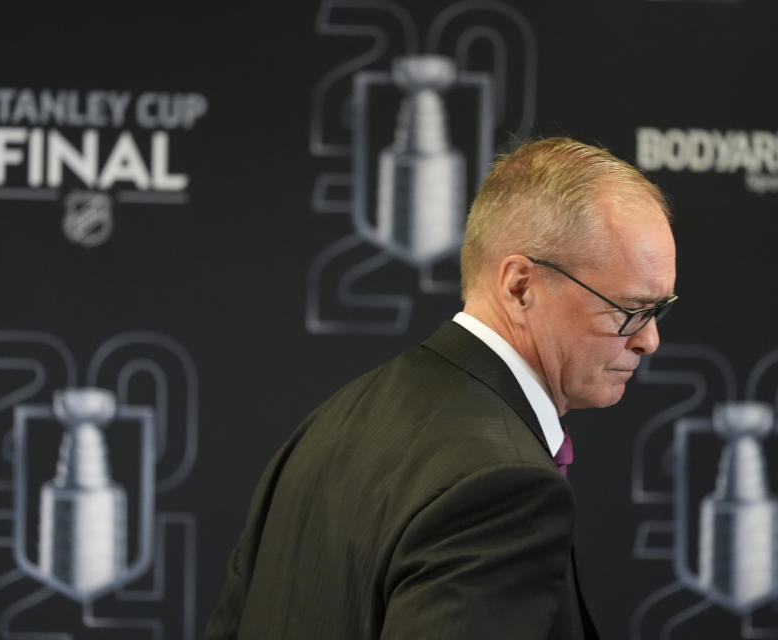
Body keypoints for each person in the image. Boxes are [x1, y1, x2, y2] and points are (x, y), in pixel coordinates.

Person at [204, 137, 677, 639]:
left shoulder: (325, 428)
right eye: (630, 310)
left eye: (659, 309)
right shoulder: (507, 485)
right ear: (520, 286)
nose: (649, 340)